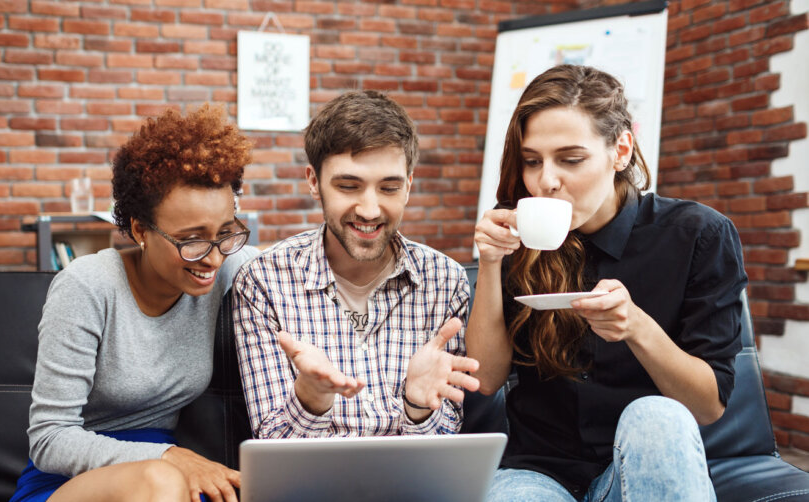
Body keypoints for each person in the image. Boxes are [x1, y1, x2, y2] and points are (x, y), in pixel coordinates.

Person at [469, 64, 747, 502]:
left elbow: (707, 406)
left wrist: (637, 327)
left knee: (657, 415)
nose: (546, 181)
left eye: (571, 159)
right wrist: (489, 264)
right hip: (539, 472)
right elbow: (485, 380)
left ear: (620, 151)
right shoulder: (518, 234)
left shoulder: (697, 235)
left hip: (643, 464)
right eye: (531, 161)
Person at [10, 105, 258, 502]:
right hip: (74, 480)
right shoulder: (87, 287)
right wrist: (169, 458)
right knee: (160, 483)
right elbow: (50, 438)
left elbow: (300, 266)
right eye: (192, 240)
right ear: (140, 230)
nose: (212, 258)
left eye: (225, 233)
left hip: (172, 476)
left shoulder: (227, 266)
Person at [233, 90, 480, 438]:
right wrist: (311, 399)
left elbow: (444, 444)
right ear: (314, 182)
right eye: (349, 186)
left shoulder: (445, 281)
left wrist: (418, 407)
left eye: (389, 188)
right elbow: (275, 448)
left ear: (409, 186)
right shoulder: (264, 281)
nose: (369, 210)